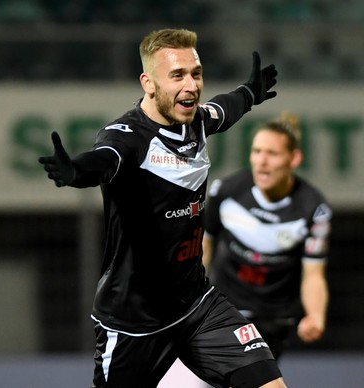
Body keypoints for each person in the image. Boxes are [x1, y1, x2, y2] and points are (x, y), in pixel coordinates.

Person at [38, 28, 286, 388]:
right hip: (133, 322)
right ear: (148, 83)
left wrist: (249, 94)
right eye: (177, 76)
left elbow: (224, 109)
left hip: (198, 306)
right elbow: (105, 160)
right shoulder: (126, 137)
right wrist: (76, 171)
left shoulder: (197, 121)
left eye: (195, 73)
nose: (191, 85)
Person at [202, 112, 331, 360]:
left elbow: (314, 274)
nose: (262, 161)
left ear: (294, 158)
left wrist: (315, 315)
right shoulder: (227, 192)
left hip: (274, 319)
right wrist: (186, 296)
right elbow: (203, 246)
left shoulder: (313, 209)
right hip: (224, 309)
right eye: (257, 151)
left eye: (272, 154)